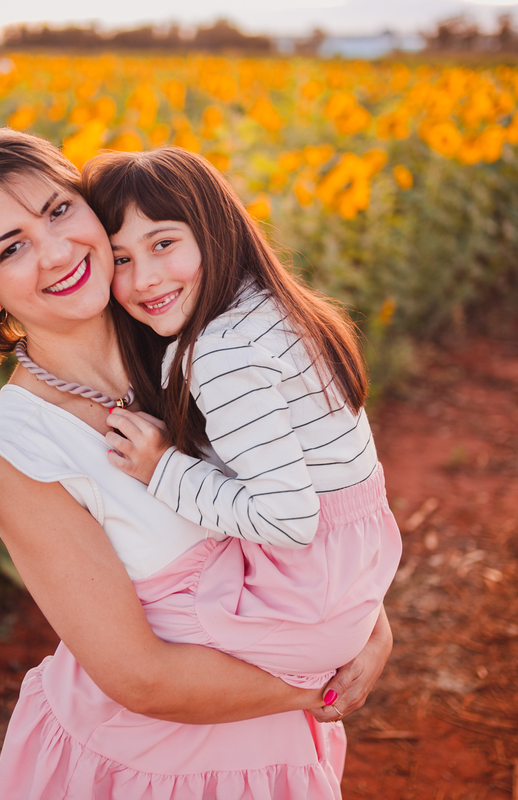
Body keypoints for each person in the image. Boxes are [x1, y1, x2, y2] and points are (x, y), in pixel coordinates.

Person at [0, 127, 393, 798]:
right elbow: (138, 675)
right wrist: (317, 683)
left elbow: (320, 497)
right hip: (144, 769)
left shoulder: (192, 331)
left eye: (58, 210)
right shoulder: (17, 452)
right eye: (13, 248)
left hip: (274, 745)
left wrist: (371, 624)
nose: (56, 252)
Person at [82, 147, 403, 693]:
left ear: (213, 231)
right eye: (120, 260)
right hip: (353, 574)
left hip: (304, 595)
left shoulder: (221, 354)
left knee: (111, 662)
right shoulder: (271, 307)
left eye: (163, 244)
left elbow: (288, 522)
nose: (145, 280)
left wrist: (162, 469)